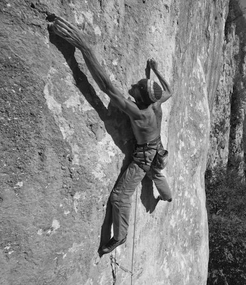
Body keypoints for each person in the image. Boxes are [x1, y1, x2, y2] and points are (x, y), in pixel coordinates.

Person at [51, 16, 173, 255]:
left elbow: (106, 87)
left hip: (143, 156)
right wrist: (155, 71)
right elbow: (169, 90)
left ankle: (120, 236)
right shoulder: (155, 104)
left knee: (119, 197)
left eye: (136, 87)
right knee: (156, 171)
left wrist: (83, 47)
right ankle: (167, 196)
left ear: (139, 98)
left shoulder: (137, 113)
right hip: (156, 147)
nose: (132, 86)